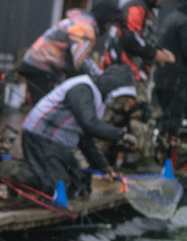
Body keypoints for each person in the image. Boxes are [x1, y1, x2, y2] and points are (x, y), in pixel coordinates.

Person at [17, 64, 138, 200]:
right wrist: (122, 135)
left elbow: (86, 139)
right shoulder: (82, 89)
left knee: (76, 183)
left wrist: (104, 167)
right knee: (58, 185)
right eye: (121, 97)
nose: (119, 102)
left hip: (59, 144)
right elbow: (90, 124)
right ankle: (10, 173)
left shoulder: (98, 100)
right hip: (40, 137)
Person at [99, 0, 176, 168]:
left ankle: (104, 158)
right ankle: (142, 159)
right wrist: (155, 54)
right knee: (139, 112)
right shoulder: (136, 8)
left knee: (117, 116)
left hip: (132, 73)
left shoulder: (148, 12)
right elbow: (130, 39)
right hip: (124, 72)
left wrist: (160, 51)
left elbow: (145, 39)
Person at [17, 0, 124, 105]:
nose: (108, 28)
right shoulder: (85, 29)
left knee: (46, 104)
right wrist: (102, 82)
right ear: (104, 19)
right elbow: (81, 61)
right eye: (110, 24)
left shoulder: (80, 21)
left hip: (36, 62)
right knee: (47, 106)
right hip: (41, 66)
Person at [153, 0, 187, 144]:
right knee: (173, 117)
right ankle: (169, 148)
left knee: (164, 115)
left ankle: (162, 146)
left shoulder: (173, 17)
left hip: (164, 74)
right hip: (177, 76)